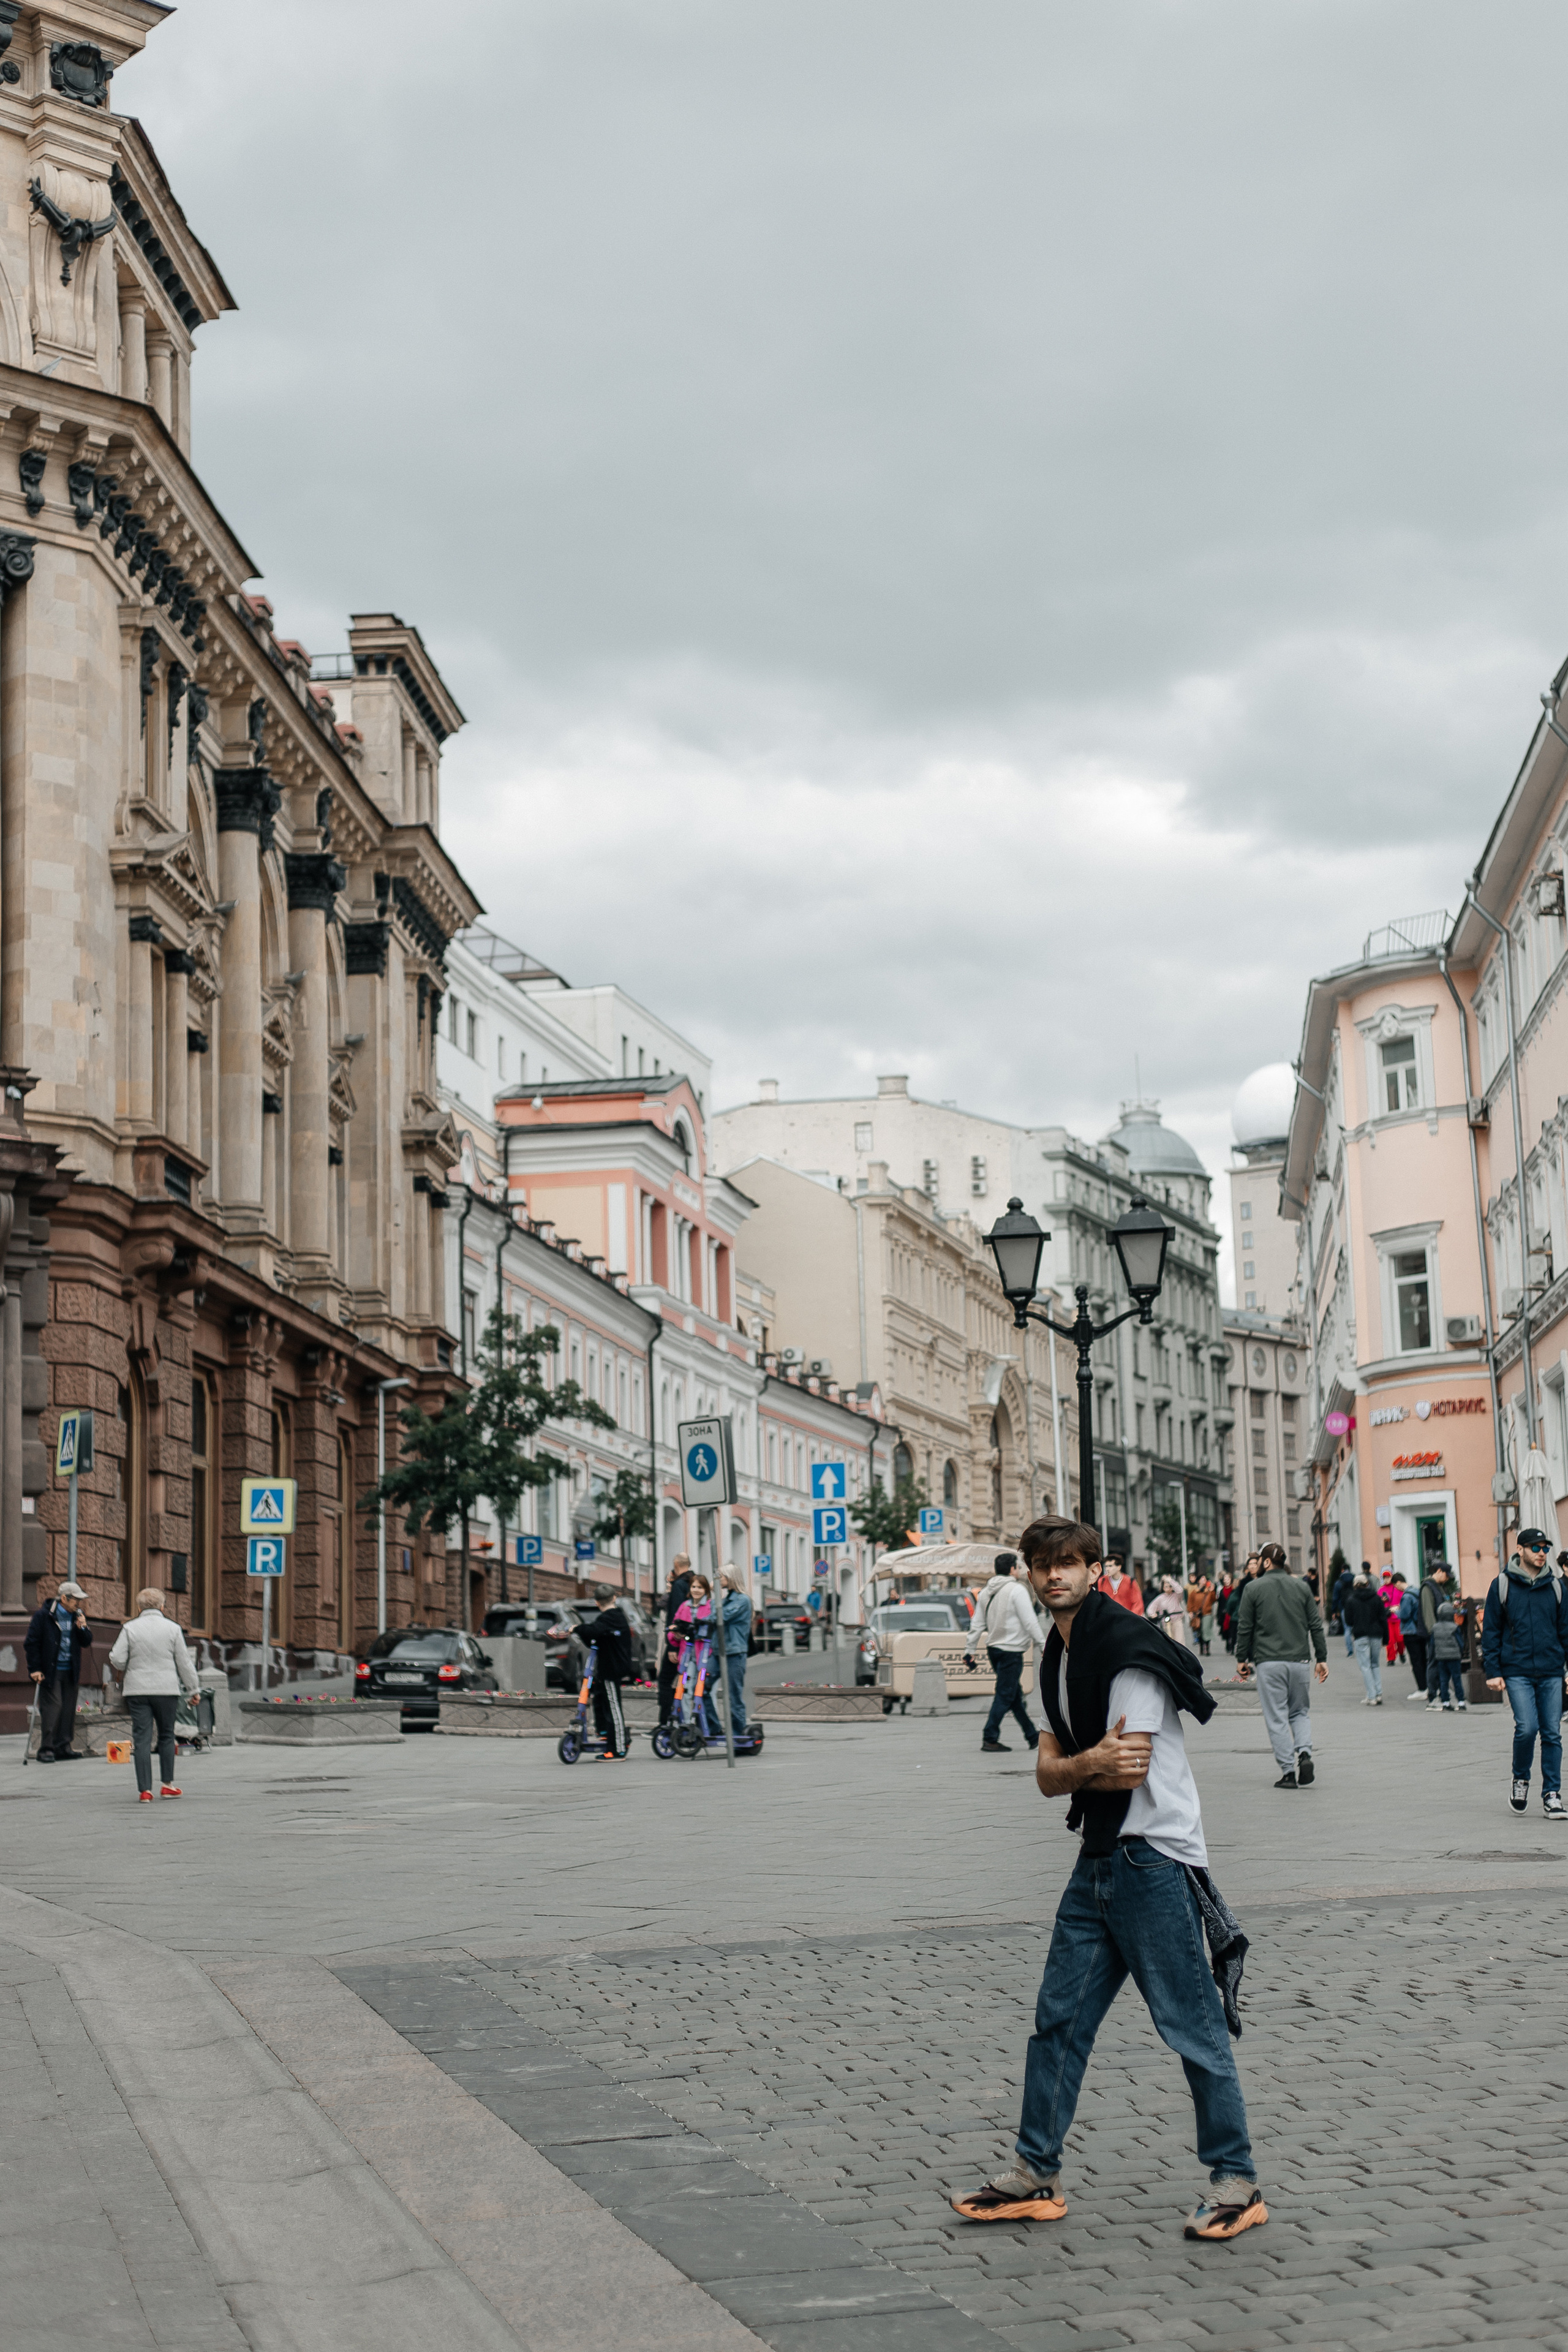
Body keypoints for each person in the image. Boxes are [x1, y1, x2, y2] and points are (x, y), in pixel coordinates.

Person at [951, 1517, 1265, 2243]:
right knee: (1057, 2021)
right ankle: (1037, 2174)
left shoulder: (1126, 1649)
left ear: (1094, 1568)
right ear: (1029, 1574)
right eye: (1041, 1564)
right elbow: (1050, 1774)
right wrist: (1075, 1766)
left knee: (1191, 2027)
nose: (1053, 1574)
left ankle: (1236, 2181)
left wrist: (1071, 1766)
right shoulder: (1054, 1659)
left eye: (1067, 1563)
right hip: (1097, 1859)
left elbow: (1124, 1764)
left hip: (1152, 1860)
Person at [1481, 1528, 1568, 1819]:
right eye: (1535, 1547)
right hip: (1516, 1670)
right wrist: (1493, 1671)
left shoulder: (1556, 1587)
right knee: (1528, 1728)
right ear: (1520, 1550)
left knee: (1553, 1732)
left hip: (1551, 1670)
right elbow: (1491, 1632)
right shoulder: (1502, 1585)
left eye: (1545, 1548)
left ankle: (1552, 1795)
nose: (1542, 1553)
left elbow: (1566, 1632)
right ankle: (1521, 1780)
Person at [1234, 1540, 1329, 1788]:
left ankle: (1288, 1773)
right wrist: (1322, 1658)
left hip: (1269, 1662)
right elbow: (1315, 1625)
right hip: (1299, 1661)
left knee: (1276, 1717)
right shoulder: (1302, 1588)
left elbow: (1245, 1627)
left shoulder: (1253, 1589)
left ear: (1266, 1562)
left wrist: (1241, 1658)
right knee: (1300, 1712)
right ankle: (1305, 1754)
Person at [107, 1588, 200, 1800]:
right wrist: (194, 1689)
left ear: (139, 1608)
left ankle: (145, 1791)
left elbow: (118, 1659)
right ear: (162, 1606)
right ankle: (168, 1785)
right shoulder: (173, 1629)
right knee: (167, 1735)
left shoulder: (130, 1628)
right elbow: (184, 1663)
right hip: (166, 1690)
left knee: (142, 1739)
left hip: (137, 1691)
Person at [970, 1555, 1049, 1754]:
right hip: (1011, 1651)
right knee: (1005, 1694)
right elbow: (1030, 1621)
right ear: (1012, 1569)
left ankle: (1032, 1736)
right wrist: (1042, 1644)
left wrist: (969, 1650)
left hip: (993, 1650)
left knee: (1013, 1694)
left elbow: (977, 1623)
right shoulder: (1017, 1590)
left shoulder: (986, 1591)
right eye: (1018, 1567)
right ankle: (990, 1737)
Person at [24, 1575, 92, 1760]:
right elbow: (31, 1643)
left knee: (68, 1709)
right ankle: (46, 1749)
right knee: (53, 1707)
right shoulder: (44, 1616)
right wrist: (35, 1669)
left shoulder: (77, 1616)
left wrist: (83, 1628)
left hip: (71, 1669)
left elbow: (86, 1642)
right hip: (50, 1670)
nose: (79, 1604)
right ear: (64, 1599)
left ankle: (63, 1746)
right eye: (76, 1600)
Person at [577, 1583, 633, 1759]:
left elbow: (592, 1631)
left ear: (597, 1603)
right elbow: (596, 1636)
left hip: (612, 1669)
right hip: (610, 1668)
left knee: (613, 1707)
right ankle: (609, 1734)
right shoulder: (617, 1616)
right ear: (615, 1598)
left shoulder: (609, 1618)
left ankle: (618, 1749)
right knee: (602, 1700)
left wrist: (576, 1628)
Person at [657, 1553, 693, 1726]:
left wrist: (672, 1645)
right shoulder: (693, 1582)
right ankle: (677, 1718)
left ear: (676, 1564)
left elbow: (676, 1616)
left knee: (664, 1680)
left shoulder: (680, 1585)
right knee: (683, 1680)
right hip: (691, 1642)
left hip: (677, 1642)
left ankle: (665, 1722)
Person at [1423, 1567, 1466, 1713]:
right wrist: (1460, 1651)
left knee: (1443, 1678)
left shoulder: (1438, 1587)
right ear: (1440, 1571)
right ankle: (1455, 1700)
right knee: (1455, 1678)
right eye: (1447, 1576)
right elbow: (1428, 1612)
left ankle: (1445, 1700)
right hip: (1452, 1656)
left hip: (1441, 1653)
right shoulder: (1428, 1587)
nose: (1447, 1579)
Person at [1343, 1571, 1387, 1705]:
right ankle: (1378, 1693)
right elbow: (1383, 1618)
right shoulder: (1377, 1598)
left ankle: (1371, 1696)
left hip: (1361, 1635)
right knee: (1375, 1664)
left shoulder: (1351, 1600)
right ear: (1367, 1584)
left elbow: (1349, 1621)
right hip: (1376, 1635)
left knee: (1365, 1666)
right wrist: (1386, 1638)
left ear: (1355, 1586)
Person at [718, 1567, 752, 1738]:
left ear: (731, 1578)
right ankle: (714, 1728)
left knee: (733, 1695)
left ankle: (738, 1735)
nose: (719, 1578)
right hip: (717, 1652)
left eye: (722, 1575)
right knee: (701, 1685)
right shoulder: (725, 1599)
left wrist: (712, 1592)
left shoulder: (742, 1600)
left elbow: (720, 1617)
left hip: (735, 1652)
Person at [1400, 1577, 1428, 1699]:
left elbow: (1404, 1615)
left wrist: (1396, 1611)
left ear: (1398, 1583)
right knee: (1424, 1659)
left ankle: (1422, 1689)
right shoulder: (1417, 1591)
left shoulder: (1406, 1596)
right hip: (1421, 1630)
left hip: (1410, 1632)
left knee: (1416, 1661)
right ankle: (1429, 1686)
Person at [1096, 1551, 1144, 1615]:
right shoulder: (1102, 1581)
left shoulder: (1130, 1582)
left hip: (1126, 1618)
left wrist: (1131, 1617)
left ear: (1119, 1567)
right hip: (1109, 1619)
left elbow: (1138, 1603)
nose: (1108, 1569)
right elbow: (1100, 1601)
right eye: (1106, 1566)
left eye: (1110, 1566)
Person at [1147, 1576, 1191, 1645]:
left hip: (1177, 1620)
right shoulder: (1160, 1598)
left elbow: (1180, 1590)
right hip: (1166, 1621)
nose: (1168, 1588)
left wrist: (1170, 1581)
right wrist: (1153, 1614)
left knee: (1180, 1640)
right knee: (1169, 1641)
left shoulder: (1176, 1596)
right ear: (1163, 1588)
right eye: (1166, 1587)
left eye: (1170, 1587)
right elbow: (1151, 1608)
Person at [1186, 1571, 1216, 1657]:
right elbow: (1190, 1603)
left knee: (1206, 1630)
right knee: (1200, 1632)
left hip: (1207, 1613)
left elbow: (1214, 1600)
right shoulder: (1194, 1592)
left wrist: (1212, 1591)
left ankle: (1207, 1648)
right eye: (1202, 1579)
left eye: (1205, 1580)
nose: (1204, 1581)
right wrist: (1191, 1612)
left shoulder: (1209, 1591)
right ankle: (1202, 1648)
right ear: (1198, 1581)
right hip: (1197, 1615)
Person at [1330, 1558, 1357, 1657]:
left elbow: (1335, 1598)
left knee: (1347, 1629)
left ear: (1342, 1570)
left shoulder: (1338, 1582)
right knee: (1357, 1627)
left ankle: (1350, 1651)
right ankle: (1360, 1649)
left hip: (1344, 1608)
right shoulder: (1355, 1579)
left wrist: (1333, 1611)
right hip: (1356, 1607)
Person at [1380, 1572, 1406, 1665]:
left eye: (1388, 1577)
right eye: (1384, 1578)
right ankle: (1391, 1659)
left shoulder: (1397, 1588)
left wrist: (1397, 1607)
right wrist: (1382, 1601)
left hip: (1398, 1618)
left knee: (1400, 1639)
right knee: (1390, 1641)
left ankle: (1401, 1652)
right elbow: (1378, 1604)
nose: (1386, 1579)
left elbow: (1403, 1601)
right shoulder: (1381, 1590)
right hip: (1388, 1619)